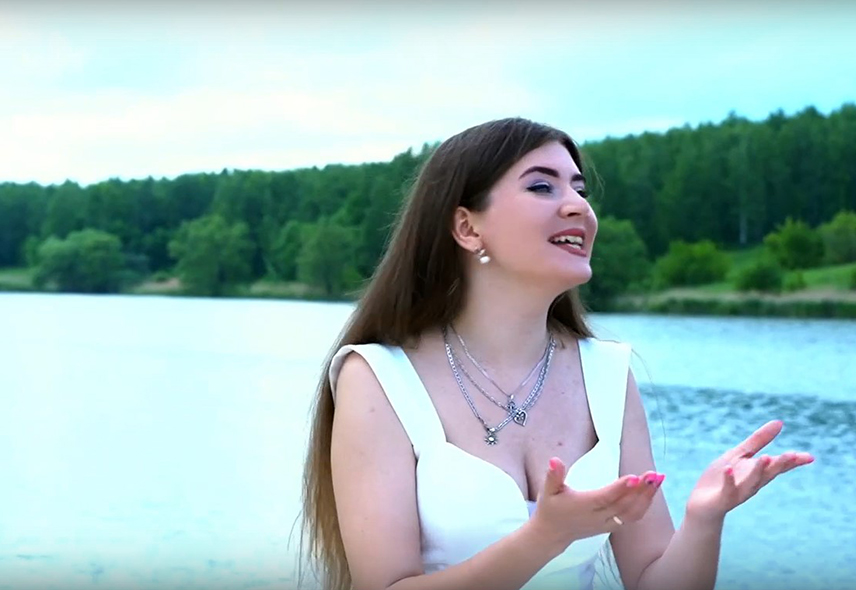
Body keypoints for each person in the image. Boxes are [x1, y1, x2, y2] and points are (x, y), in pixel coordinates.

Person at [299, 118, 813, 590]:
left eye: (580, 190)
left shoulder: (608, 374)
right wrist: (543, 537)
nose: (578, 207)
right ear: (468, 228)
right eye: (542, 186)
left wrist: (704, 518)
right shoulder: (378, 377)